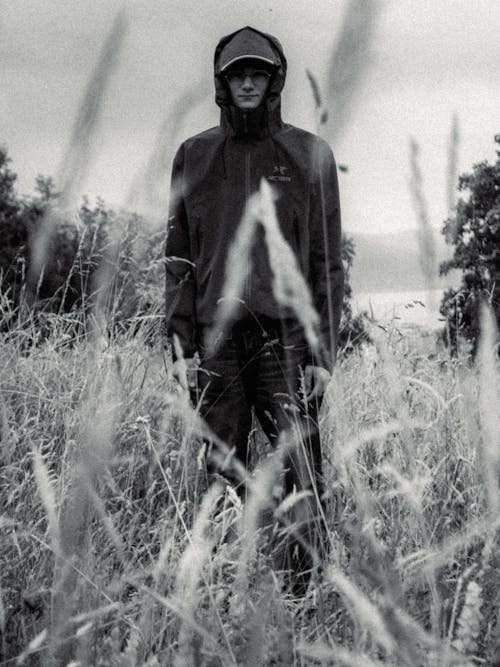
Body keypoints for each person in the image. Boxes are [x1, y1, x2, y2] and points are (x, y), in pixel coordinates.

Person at [165, 26, 344, 580]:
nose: (247, 82)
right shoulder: (193, 155)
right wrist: (179, 345)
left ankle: (304, 592)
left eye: (257, 74)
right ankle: (219, 590)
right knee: (219, 470)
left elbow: (327, 262)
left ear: (275, 81)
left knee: (303, 472)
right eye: (237, 74)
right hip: (215, 344)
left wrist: (323, 352)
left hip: (286, 341)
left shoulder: (309, 154)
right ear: (222, 82)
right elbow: (178, 258)